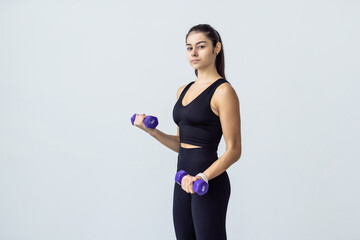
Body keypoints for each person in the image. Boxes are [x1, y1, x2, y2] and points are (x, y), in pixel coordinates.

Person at [132, 23, 242, 240]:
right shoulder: (182, 91)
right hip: (182, 179)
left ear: (216, 48)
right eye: (189, 47)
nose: (193, 52)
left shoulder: (223, 91)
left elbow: (234, 150)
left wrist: (203, 176)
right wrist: (151, 131)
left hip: (207, 181)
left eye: (201, 46)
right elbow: (181, 144)